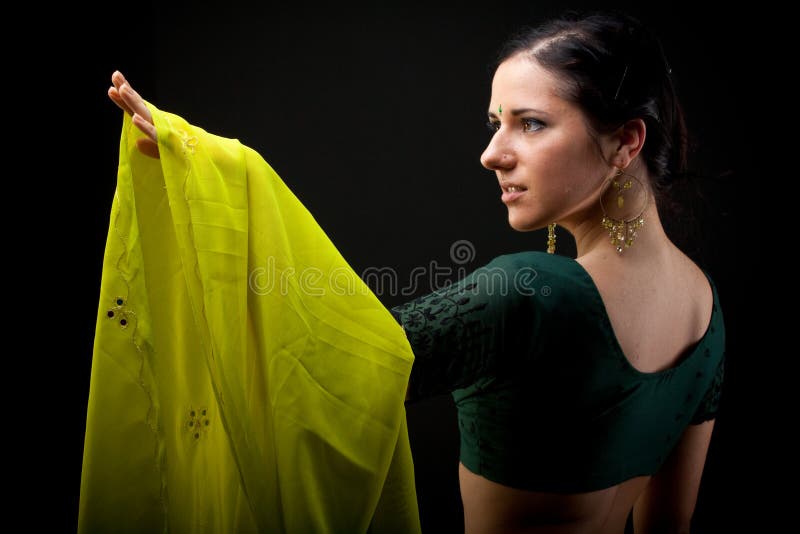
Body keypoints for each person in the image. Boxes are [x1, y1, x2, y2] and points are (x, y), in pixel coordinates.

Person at [98, 10, 725, 534]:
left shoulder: (528, 294)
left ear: (626, 141)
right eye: (495, 123)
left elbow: (329, 367)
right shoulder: (705, 306)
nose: (491, 154)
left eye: (530, 123)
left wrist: (215, 174)